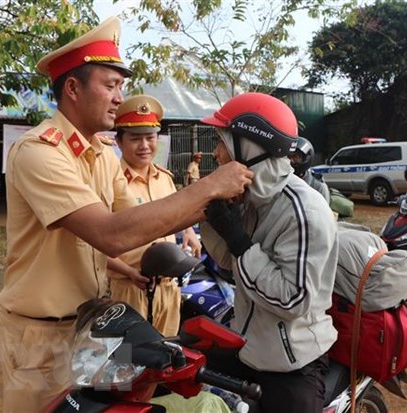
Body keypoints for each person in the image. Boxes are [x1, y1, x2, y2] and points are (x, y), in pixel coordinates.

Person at [0, 16, 252, 412]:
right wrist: (209, 185)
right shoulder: (39, 152)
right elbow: (111, 234)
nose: (119, 97)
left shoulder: (101, 155)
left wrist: (210, 212)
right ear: (73, 88)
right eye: (110, 85)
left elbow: (142, 224)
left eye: (121, 87)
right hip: (41, 336)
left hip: (92, 329)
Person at [199, 92, 338, 413]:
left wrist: (239, 241)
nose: (216, 153)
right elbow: (227, 261)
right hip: (252, 349)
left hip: (294, 363)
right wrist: (214, 217)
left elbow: (292, 300)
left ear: (250, 147)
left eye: (222, 141)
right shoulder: (254, 197)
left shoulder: (303, 211)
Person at [107, 94, 201, 337]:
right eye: (135, 139)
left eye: (150, 138)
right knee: (127, 361)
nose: (145, 146)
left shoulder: (165, 178)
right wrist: (128, 272)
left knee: (166, 354)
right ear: (119, 141)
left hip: (169, 288)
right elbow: (92, 243)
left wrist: (189, 231)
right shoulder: (109, 182)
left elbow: (176, 214)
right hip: (130, 288)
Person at [288, 136, 330, 201]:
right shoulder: (282, 179)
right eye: (289, 156)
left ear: (306, 158)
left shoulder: (318, 186)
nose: (291, 160)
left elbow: (324, 210)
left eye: (295, 157)